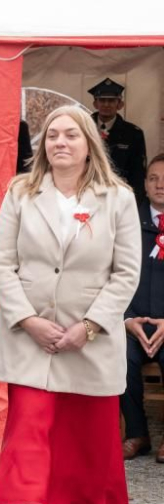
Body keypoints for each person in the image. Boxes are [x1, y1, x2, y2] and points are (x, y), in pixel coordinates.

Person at [0, 105, 140, 504]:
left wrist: (90, 326)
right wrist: (27, 319)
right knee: (29, 426)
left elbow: (126, 272)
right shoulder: (20, 191)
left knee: (82, 431)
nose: (60, 142)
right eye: (52, 135)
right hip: (30, 333)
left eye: (71, 135)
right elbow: (1, 265)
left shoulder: (118, 197)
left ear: (90, 142)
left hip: (90, 335)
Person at [120, 153, 164, 462]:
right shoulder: (126, 225)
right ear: (144, 184)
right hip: (131, 324)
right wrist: (125, 320)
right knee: (117, 355)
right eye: (153, 179)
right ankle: (137, 433)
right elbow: (105, 277)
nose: (160, 185)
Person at [88, 78, 147, 205]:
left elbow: (137, 175)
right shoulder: (83, 128)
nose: (106, 105)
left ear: (120, 104)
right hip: (87, 191)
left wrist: (135, 203)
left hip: (118, 195)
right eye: (102, 100)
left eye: (111, 100)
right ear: (95, 104)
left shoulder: (133, 134)